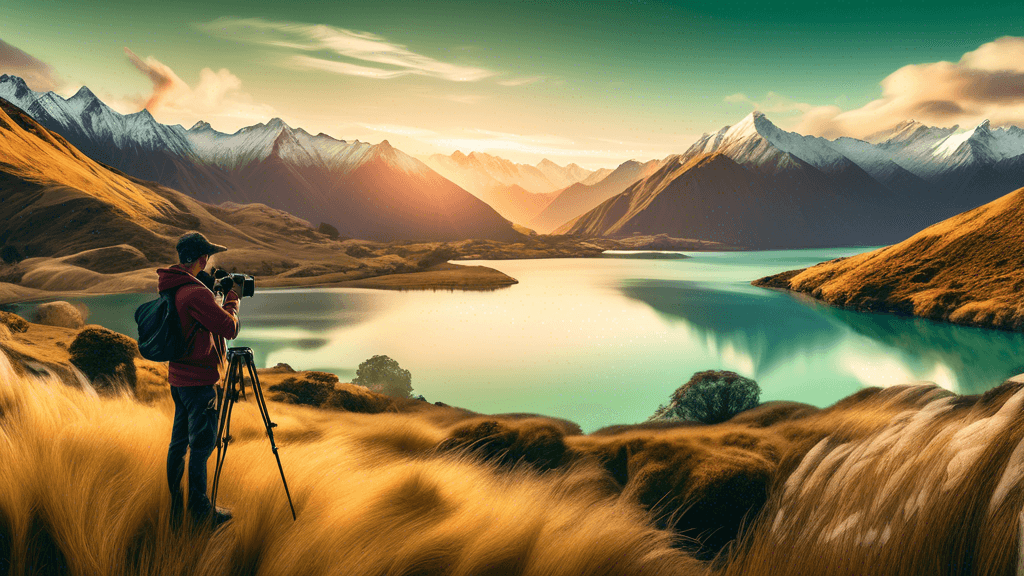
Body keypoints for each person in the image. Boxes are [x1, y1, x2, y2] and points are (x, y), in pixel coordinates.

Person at [157, 232, 241, 529]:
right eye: (208, 258)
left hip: (179, 378)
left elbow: (196, 322)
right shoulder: (196, 293)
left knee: (178, 444)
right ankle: (200, 511)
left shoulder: (174, 285)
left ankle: (175, 506)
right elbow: (228, 329)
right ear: (203, 258)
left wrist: (213, 293)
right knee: (202, 447)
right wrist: (232, 298)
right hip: (200, 383)